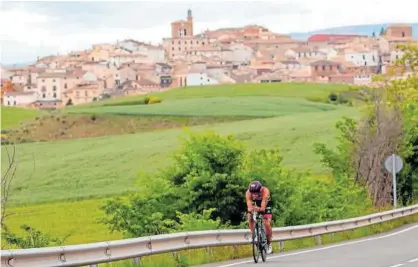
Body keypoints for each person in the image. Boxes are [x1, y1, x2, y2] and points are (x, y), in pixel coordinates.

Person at [246, 180, 273, 254]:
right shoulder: (248, 192)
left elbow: (264, 203)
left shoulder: (265, 191)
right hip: (255, 204)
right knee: (250, 218)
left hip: (265, 204)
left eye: (256, 193)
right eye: (252, 193)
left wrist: (261, 209)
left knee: (266, 223)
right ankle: (254, 235)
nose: (254, 195)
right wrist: (250, 209)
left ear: (260, 190)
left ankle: (269, 242)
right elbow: (248, 202)